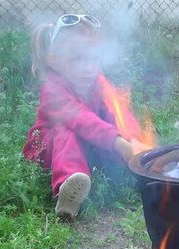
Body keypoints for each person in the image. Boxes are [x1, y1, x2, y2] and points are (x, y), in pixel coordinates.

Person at [22, 14, 144, 220]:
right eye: (78, 59)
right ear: (55, 61)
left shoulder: (98, 83)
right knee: (65, 130)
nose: (89, 68)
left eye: (94, 59)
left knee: (114, 126)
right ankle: (68, 190)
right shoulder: (53, 90)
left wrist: (133, 140)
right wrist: (117, 142)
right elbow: (82, 119)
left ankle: (136, 175)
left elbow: (119, 112)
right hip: (49, 150)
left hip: (88, 147)